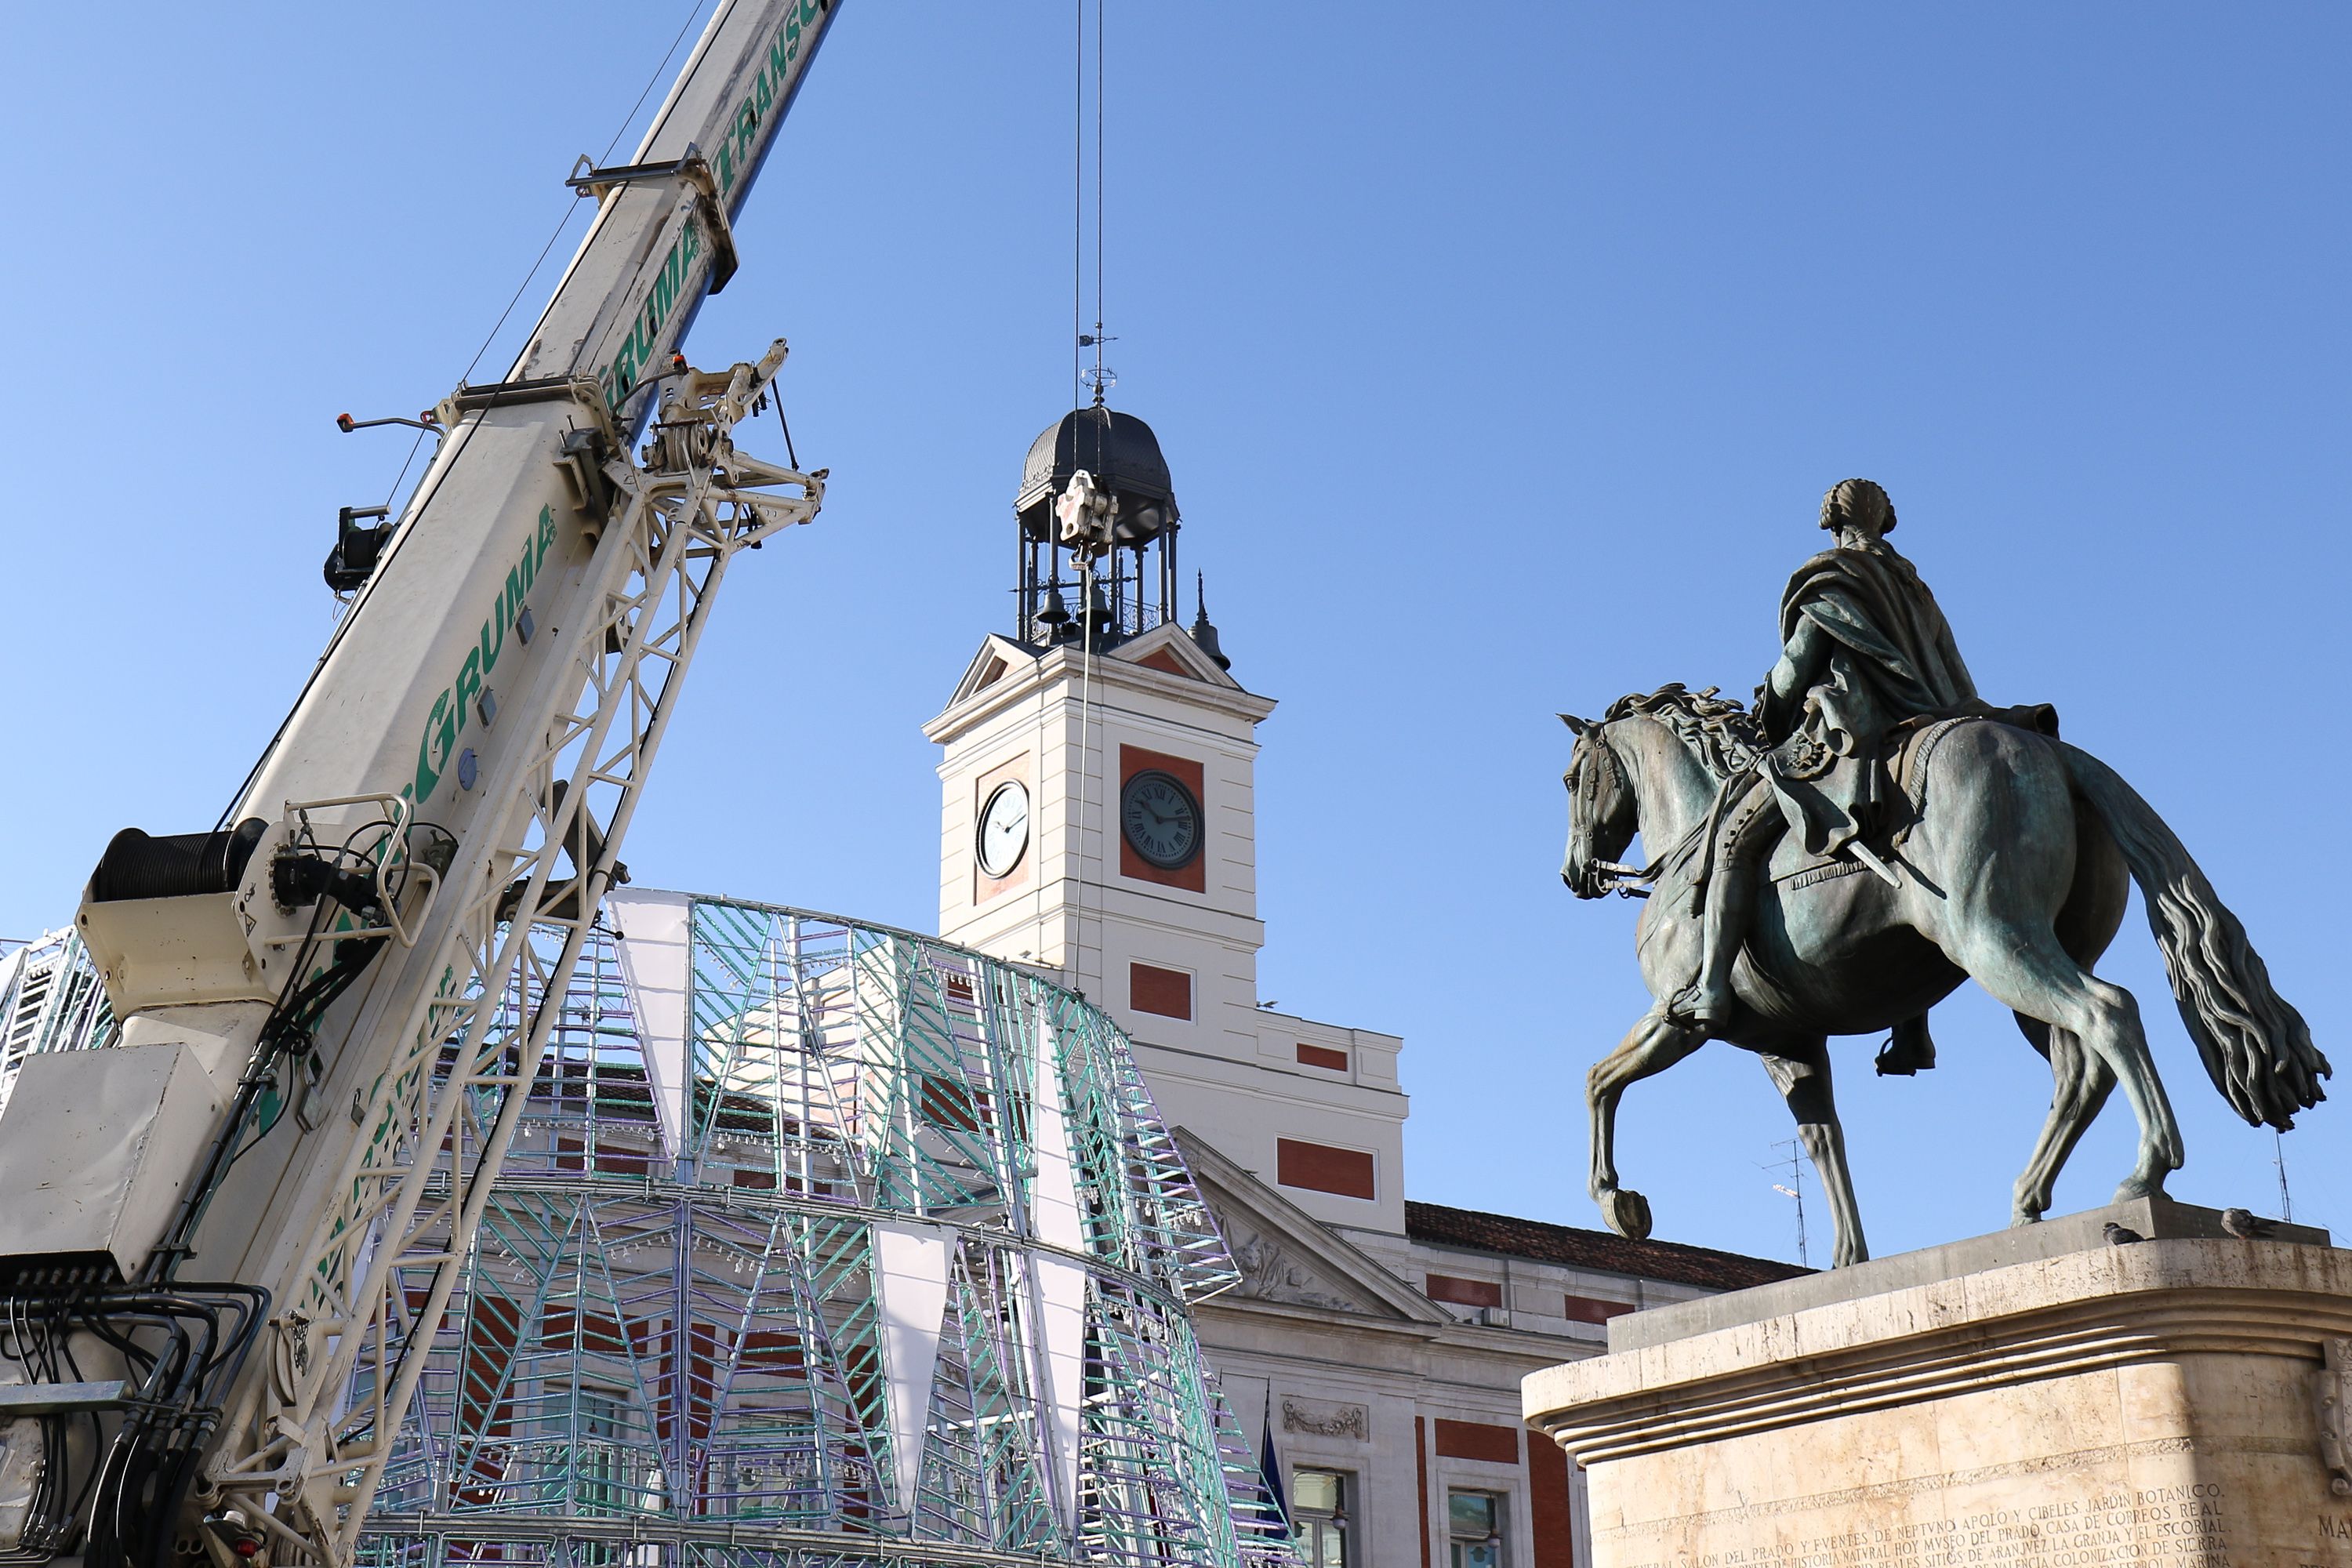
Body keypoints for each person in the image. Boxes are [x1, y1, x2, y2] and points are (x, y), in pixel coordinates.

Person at [1668, 479, 1982, 1042]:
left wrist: (1767, 708)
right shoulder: (1916, 590)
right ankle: (1911, 1027)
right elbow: (1959, 679)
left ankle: (1711, 985)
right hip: (1924, 725)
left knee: (1734, 839)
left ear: (1834, 522)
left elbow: (1795, 669)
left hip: (1843, 734)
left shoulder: (1832, 578)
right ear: (1884, 519)